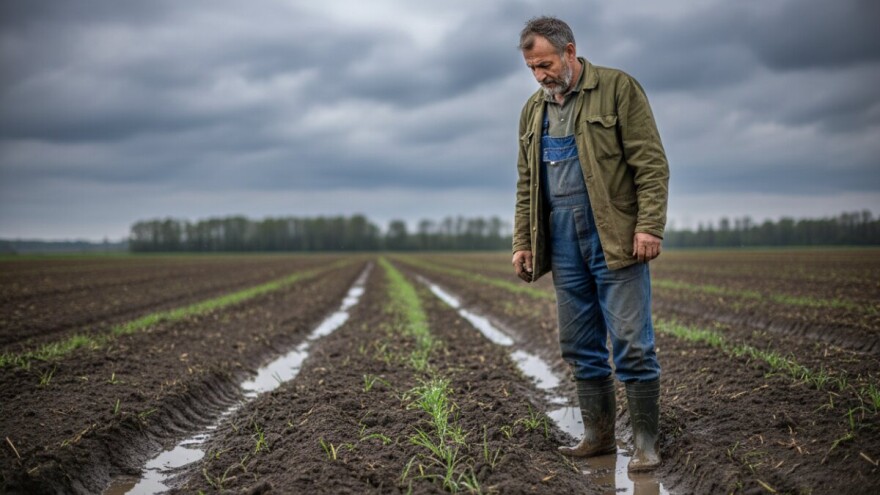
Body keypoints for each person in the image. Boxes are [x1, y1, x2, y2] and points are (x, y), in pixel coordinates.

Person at [511, 16, 669, 472]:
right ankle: (598, 438)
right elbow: (527, 183)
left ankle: (645, 444)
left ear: (570, 52)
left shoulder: (618, 89)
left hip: (613, 235)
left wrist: (650, 226)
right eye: (532, 69)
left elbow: (651, 164)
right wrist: (523, 241)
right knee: (579, 344)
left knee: (631, 344)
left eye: (545, 64)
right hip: (560, 238)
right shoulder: (532, 111)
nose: (541, 76)